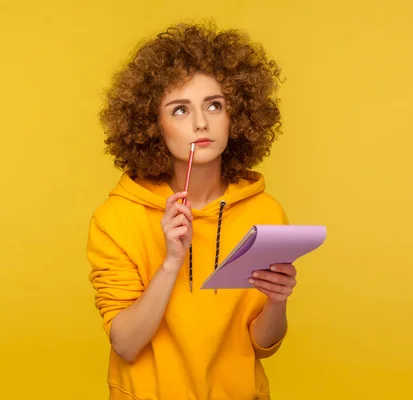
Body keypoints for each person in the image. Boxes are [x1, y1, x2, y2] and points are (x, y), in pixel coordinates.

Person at [86, 22, 298, 400]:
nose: (201, 122)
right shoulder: (114, 219)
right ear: (153, 126)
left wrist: (277, 299)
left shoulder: (265, 212)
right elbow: (126, 344)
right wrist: (171, 261)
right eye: (180, 109)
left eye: (214, 105)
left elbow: (264, 344)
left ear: (237, 115)